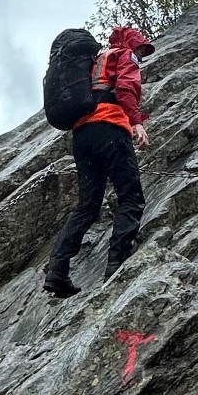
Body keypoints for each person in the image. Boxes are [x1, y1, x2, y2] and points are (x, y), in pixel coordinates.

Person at [43, 25, 155, 298]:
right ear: (132, 44)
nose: (141, 54)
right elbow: (127, 89)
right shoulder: (124, 55)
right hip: (110, 128)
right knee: (130, 197)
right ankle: (117, 265)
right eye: (141, 48)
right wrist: (137, 124)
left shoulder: (96, 59)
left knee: (88, 206)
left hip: (82, 135)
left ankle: (57, 271)